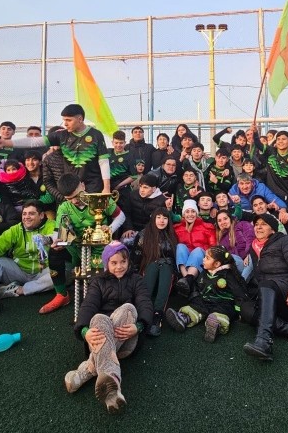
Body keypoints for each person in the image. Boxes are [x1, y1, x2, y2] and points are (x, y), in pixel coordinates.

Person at [64, 241, 153, 414]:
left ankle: (86, 371)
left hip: (126, 339)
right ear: (106, 263)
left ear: (128, 262)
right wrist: (84, 331)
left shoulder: (136, 280)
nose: (119, 267)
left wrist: (139, 326)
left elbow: (145, 303)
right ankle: (113, 384)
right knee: (98, 317)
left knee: (129, 308)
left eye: (123, 262)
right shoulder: (98, 281)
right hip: (99, 337)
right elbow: (88, 305)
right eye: (114, 263)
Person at [46, 173, 127, 314]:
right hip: (77, 249)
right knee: (54, 252)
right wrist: (58, 240)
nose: (75, 201)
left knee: (101, 287)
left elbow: (121, 216)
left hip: (101, 249)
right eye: (69, 198)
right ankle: (61, 295)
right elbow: (59, 231)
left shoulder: (99, 199)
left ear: (82, 185)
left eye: (77, 195)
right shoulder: (65, 207)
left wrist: (110, 229)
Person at [0, 104, 111, 193]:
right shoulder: (61, 135)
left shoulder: (96, 134)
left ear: (80, 119)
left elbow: (103, 162)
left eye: (69, 120)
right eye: (64, 120)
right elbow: (33, 142)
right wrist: (5, 143)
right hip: (70, 186)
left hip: (93, 185)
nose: (65, 123)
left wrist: (106, 188)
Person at [242, 213, 288, 361]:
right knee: (245, 309)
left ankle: (264, 342)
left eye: (263, 224)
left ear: (273, 230)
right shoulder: (254, 248)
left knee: (266, 284)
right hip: (273, 300)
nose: (258, 226)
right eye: (256, 224)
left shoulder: (284, 240)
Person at [0, 200, 58, 315]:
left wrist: (46, 239)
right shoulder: (16, 229)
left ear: (41, 215)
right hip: (19, 270)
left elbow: (56, 235)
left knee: (61, 272)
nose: (26, 217)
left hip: (43, 271)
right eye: (24, 214)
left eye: (31, 214)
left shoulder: (51, 225)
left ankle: (18, 290)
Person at [165, 246, 247, 343]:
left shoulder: (227, 275)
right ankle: (184, 318)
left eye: (207, 258)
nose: (203, 259)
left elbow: (238, 293)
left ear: (217, 264)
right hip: (206, 300)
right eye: (205, 257)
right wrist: (195, 297)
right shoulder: (204, 272)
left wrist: (239, 311)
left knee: (221, 313)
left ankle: (215, 325)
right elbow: (198, 286)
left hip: (223, 302)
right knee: (195, 306)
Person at [130, 207, 177, 336]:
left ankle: (157, 316)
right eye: (159, 217)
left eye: (165, 218)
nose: (162, 221)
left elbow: (174, 258)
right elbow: (136, 257)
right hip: (149, 268)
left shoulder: (172, 235)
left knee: (166, 265)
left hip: (167, 271)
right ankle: (144, 313)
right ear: (153, 218)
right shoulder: (143, 235)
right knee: (154, 265)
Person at [174, 200, 216, 295]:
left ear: (196, 213)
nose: (190, 214)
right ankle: (188, 280)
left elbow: (213, 246)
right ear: (183, 214)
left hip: (201, 257)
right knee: (180, 247)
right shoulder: (177, 228)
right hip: (184, 260)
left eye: (193, 211)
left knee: (197, 251)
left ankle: (187, 281)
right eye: (187, 211)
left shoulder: (207, 227)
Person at [215, 210, 254, 275]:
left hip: (250, 260)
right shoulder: (221, 240)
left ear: (230, 219)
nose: (223, 222)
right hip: (236, 266)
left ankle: (242, 283)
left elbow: (251, 238)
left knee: (252, 257)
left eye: (225, 219)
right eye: (219, 220)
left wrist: (248, 254)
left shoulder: (242, 224)